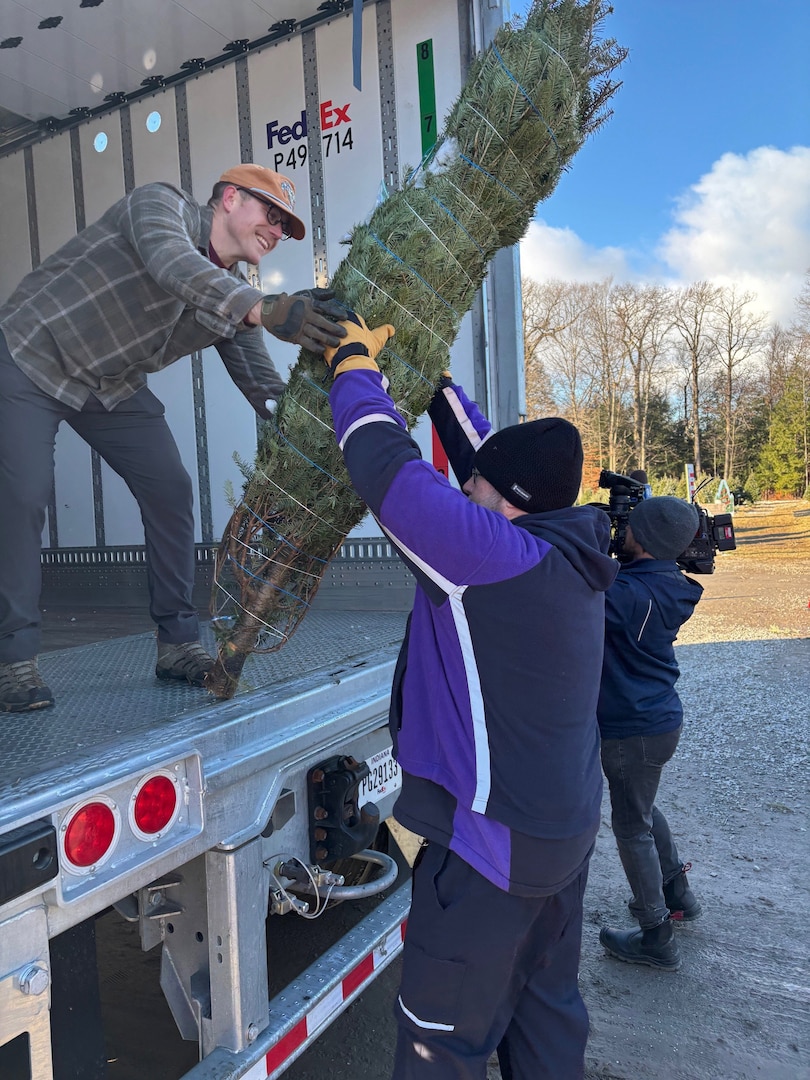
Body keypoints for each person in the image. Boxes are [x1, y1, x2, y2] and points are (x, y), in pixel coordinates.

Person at [322, 314, 618, 1079]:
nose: (465, 487)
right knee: (546, 1022)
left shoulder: (489, 562)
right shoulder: (570, 545)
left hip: (493, 857)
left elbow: (387, 471)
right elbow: (484, 461)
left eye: (475, 487)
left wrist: (353, 367)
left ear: (505, 504)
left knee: (440, 1045)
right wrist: (438, 388)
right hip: (566, 835)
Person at [0, 164, 348, 712]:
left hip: (107, 386)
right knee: (22, 497)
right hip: (30, 355)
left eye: (285, 227)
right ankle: (13, 659)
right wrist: (259, 308)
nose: (277, 231)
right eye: (271, 214)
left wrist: (309, 437)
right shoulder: (159, 207)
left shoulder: (232, 297)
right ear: (229, 199)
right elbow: (172, 265)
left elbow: (262, 385)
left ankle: (177, 646)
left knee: (171, 489)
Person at [597, 496, 704, 971]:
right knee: (642, 806)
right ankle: (676, 891)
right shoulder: (669, 585)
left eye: (629, 528)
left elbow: (572, 591)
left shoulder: (625, 596)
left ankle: (655, 932)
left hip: (630, 728)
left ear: (643, 539)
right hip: (659, 721)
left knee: (630, 825)